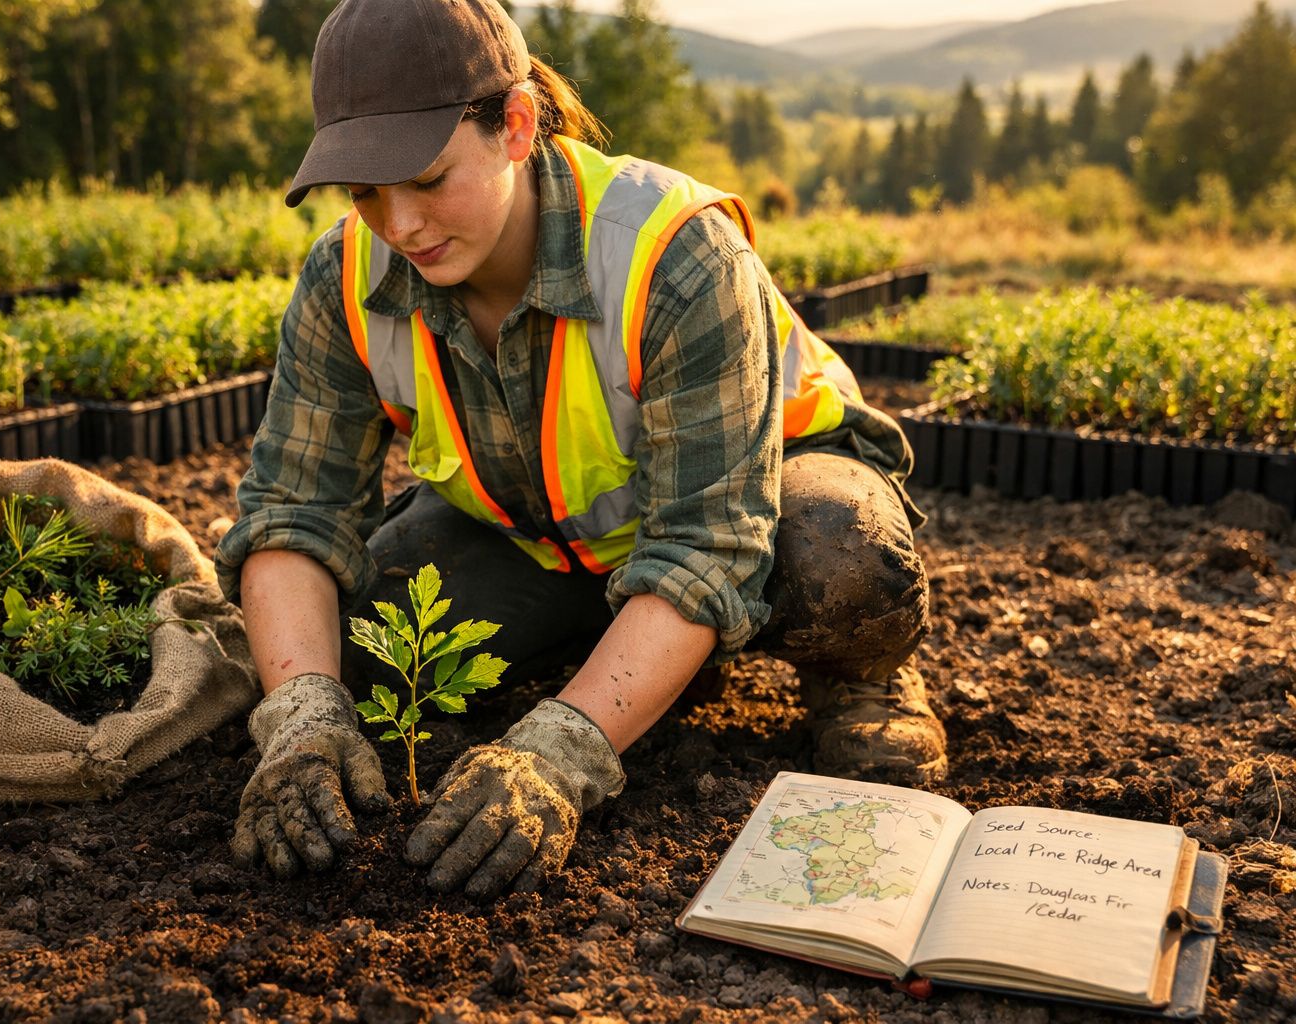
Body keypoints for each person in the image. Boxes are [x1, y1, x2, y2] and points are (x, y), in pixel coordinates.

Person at [214, 0, 944, 899]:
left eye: (429, 178)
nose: (398, 224)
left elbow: (707, 543)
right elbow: (294, 510)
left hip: (762, 506)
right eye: (365, 191)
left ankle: (861, 679)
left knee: (843, 555)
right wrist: (297, 720)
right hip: (544, 531)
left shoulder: (672, 254)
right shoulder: (347, 276)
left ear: (516, 125)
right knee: (360, 649)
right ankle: (625, 657)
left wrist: (556, 755)